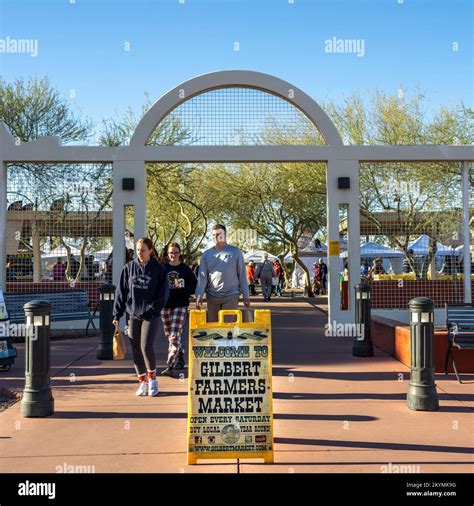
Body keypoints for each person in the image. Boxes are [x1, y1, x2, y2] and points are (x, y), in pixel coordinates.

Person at [112, 237, 169, 397]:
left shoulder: (159, 269)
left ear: (150, 250)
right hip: (133, 315)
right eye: (138, 250)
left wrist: (151, 309)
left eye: (143, 250)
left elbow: (163, 294)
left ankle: (153, 380)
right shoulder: (129, 268)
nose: (140, 253)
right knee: (135, 348)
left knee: (146, 346)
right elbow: (121, 292)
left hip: (151, 315)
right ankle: (142, 382)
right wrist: (117, 313)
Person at [195, 224, 250, 322]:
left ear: (225, 235)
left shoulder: (235, 252)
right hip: (212, 296)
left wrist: (246, 295)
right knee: (214, 329)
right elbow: (202, 277)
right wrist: (199, 294)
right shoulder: (206, 254)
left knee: (228, 328)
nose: (215, 237)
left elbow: (242, 274)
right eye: (213, 235)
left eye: (219, 234)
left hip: (231, 295)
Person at [160, 242, 197, 378]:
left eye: (175, 252)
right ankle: (180, 354)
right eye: (171, 252)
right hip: (165, 306)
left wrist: (183, 289)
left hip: (180, 305)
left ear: (180, 253)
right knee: (169, 335)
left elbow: (194, 286)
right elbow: (157, 286)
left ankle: (170, 364)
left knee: (174, 334)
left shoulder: (185, 269)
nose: (173, 255)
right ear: (167, 254)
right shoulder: (163, 268)